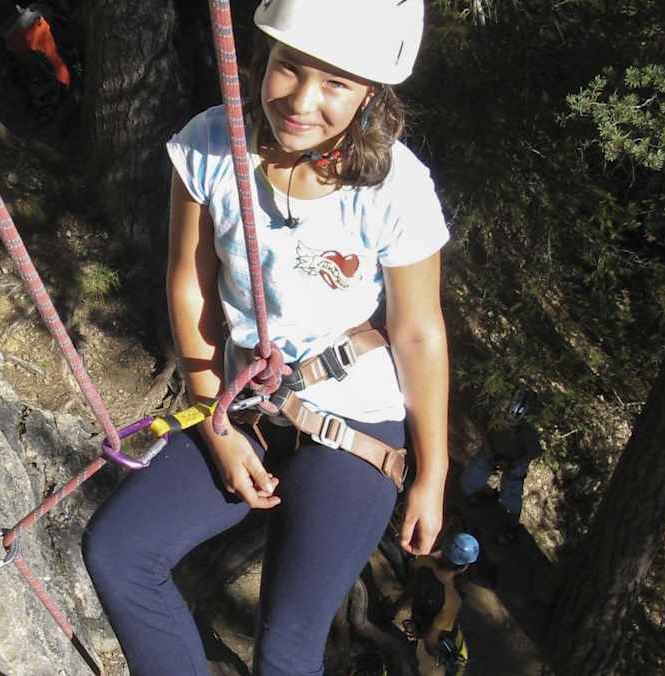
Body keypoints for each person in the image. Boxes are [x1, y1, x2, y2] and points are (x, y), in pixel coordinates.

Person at [82, 1, 450, 673]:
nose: (301, 100)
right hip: (242, 403)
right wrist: (213, 420)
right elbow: (189, 284)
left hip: (355, 420)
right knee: (120, 551)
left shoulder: (395, 187)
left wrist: (433, 472)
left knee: (285, 648)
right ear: (261, 59)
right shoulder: (210, 143)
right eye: (288, 68)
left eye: (335, 83)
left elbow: (417, 332)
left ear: (371, 93)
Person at [460, 387, 543, 544]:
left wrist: (513, 463)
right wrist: (490, 450)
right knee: (469, 478)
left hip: (514, 461)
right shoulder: (494, 413)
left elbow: (534, 452)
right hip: (492, 450)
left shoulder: (527, 431)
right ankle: (478, 494)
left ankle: (512, 526)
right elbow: (483, 426)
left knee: (511, 494)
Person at [392, 532, 478, 676]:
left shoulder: (423, 562)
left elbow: (410, 589)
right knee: (461, 657)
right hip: (436, 630)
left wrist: (394, 608)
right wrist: (441, 655)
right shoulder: (452, 600)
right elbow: (431, 639)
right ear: (464, 567)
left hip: (418, 615)